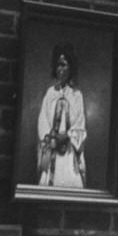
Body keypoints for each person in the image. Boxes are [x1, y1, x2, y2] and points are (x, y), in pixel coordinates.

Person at [37, 43, 86, 188]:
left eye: (64, 65)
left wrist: (65, 136)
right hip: (52, 149)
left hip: (69, 152)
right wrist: (51, 139)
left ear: (71, 67)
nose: (60, 69)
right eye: (58, 65)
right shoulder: (50, 94)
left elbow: (80, 125)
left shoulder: (76, 96)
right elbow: (43, 122)